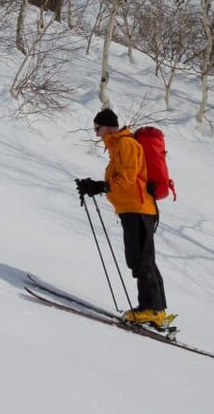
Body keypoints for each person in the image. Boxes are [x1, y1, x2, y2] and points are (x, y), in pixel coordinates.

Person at [76, 108, 168, 327]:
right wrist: (95, 186)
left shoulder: (125, 145)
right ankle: (157, 310)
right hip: (133, 209)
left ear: (107, 127)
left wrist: (101, 186)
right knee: (143, 259)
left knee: (140, 260)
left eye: (97, 129)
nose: (97, 134)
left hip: (138, 209)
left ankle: (150, 309)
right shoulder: (118, 146)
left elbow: (126, 178)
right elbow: (120, 180)